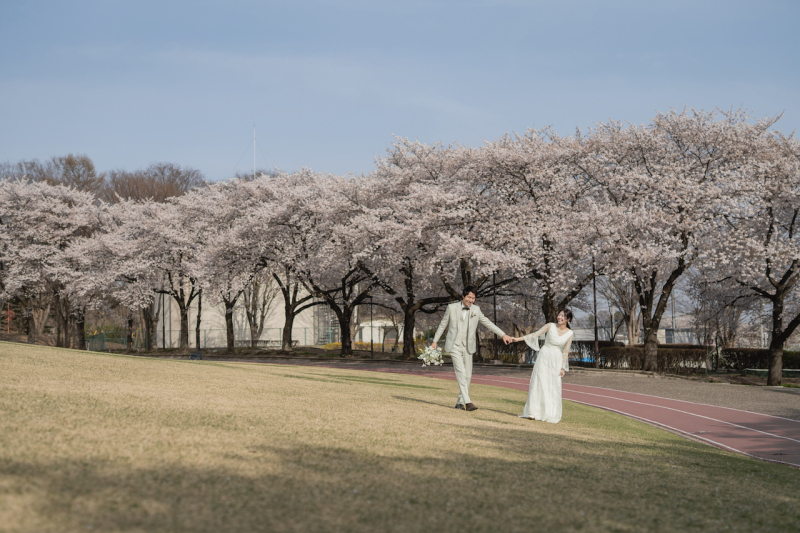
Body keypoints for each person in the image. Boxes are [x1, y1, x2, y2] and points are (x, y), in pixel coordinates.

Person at [432, 286, 513, 412]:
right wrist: (434, 341)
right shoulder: (451, 308)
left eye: (473, 298)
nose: (471, 300)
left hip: (468, 346)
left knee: (468, 375)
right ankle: (468, 401)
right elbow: (443, 324)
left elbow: (488, 323)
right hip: (454, 345)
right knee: (460, 372)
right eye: (469, 297)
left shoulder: (476, 309)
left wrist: (503, 334)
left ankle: (459, 402)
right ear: (463, 296)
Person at [510, 309, 574, 423]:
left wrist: (563, 367)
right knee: (539, 382)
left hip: (556, 360)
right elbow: (535, 335)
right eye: (559, 315)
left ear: (568, 319)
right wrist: (517, 339)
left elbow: (565, 351)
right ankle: (532, 412)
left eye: (563, 316)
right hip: (544, 356)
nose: (560, 317)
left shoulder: (570, 333)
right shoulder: (550, 326)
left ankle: (548, 413)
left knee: (552, 385)